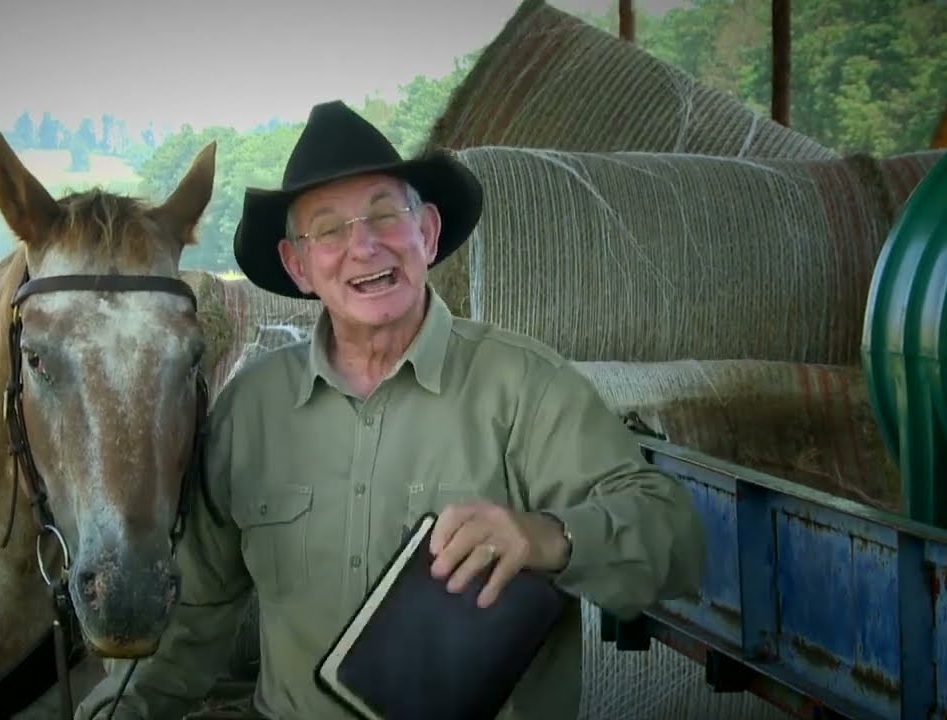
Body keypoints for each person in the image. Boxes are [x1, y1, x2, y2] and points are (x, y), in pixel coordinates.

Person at [80, 100, 706, 719]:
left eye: (386, 215)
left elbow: (672, 538)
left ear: (427, 234)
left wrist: (549, 537)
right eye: (329, 229)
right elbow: (196, 615)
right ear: (298, 266)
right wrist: (121, 710)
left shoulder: (526, 387)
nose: (365, 247)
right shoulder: (250, 411)